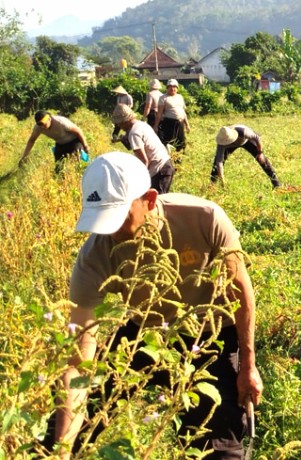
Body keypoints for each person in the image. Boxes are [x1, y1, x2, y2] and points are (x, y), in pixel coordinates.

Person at [50, 151, 262, 458]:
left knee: (218, 447)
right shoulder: (95, 255)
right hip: (143, 334)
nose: (110, 231)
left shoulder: (204, 219)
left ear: (149, 199)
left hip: (210, 338)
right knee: (66, 426)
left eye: (119, 217)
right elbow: (78, 361)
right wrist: (62, 449)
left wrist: (248, 365)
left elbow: (240, 294)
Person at [111, 104, 176, 193]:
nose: (120, 127)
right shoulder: (141, 124)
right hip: (165, 165)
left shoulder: (134, 133)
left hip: (159, 170)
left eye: (120, 124)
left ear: (125, 121)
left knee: (157, 202)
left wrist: (139, 181)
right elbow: (133, 147)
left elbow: (144, 161)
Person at [211, 125, 281, 188]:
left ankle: (277, 184)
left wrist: (260, 153)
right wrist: (222, 181)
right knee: (216, 164)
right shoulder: (221, 143)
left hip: (247, 141)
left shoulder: (243, 132)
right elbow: (219, 162)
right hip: (231, 146)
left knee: (262, 160)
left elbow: (256, 138)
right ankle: (212, 184)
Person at [21, 110, 90, 173]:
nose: (42, 127)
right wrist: (24, 156)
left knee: (74, 164)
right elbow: (31, 141)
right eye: (40, 124)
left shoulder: (61, 122)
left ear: (49, 119)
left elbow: (78, 131)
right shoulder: (38, 128)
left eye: (44, 124)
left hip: (74, 141)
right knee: (58, 167)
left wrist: (85, 145)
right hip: (60, 144)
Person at [155, 79, 190, 153]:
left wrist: (187, 125)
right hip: (169, 123)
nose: (172, 88)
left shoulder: (180, 97)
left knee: (181, 141)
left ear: (177, 88)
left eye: (174, 87)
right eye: (170, 87)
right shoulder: (163, 98)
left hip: (180, 123)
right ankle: (171, 158)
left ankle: (179, 158)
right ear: (167, 88)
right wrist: (156, 125)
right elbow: (159, 113)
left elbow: (183, 112)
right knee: (170, 142)